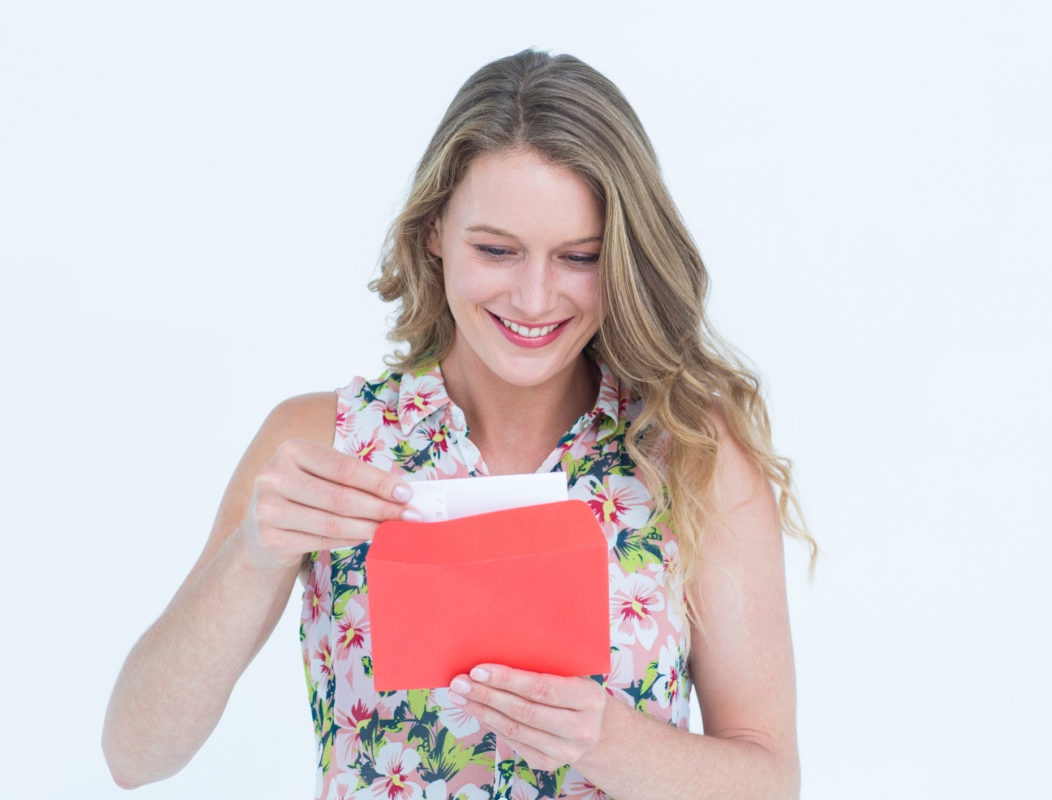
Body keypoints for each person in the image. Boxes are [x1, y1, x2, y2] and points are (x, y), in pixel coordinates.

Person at [102, 49, 814, 800]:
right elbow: (135, 754)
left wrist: (609, 742)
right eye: (497, 250)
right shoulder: (322, 441)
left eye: (579, 256)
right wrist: (255, 551)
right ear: (436, 228)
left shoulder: (689, 453)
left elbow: (770, 780)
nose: (535, 298)